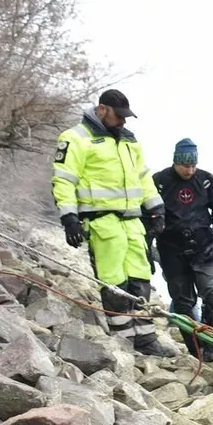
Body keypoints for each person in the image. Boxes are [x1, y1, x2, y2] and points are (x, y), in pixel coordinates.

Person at [52, 89, 172, 357]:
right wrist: (69, 218)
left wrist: (157, 208)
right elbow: (63, 180)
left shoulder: (129, 141)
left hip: (132, 221)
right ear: (102, 109)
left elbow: (143, 178)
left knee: (141, 277)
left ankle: (145, 338)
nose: (123, 122)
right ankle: (123, 339)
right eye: (119, 116)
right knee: (114, 280)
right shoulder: (75, 139)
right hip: (101, 221)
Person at [151, 138, 213, 361]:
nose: (190, 170)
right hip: (172, 250)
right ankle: (196, 352)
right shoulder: (159, 182)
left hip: (205, 248)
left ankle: (212, 348)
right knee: (184, 303)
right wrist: (148, 247)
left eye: (193, 165)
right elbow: (147, 214)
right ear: (176, 162)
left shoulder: (206, 181)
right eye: (185, 165)